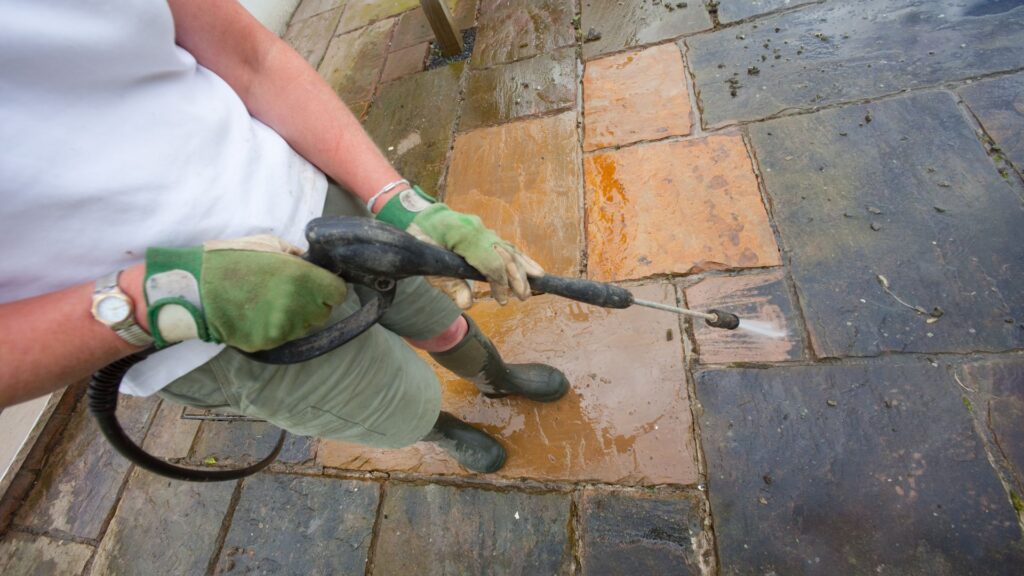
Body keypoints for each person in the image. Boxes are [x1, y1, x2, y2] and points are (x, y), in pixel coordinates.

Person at [0, 0, 570, 473]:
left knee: (438, 320)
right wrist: (159, 299)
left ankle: (495, 379)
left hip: (311, 203)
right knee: (395, 401)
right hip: (202, 333)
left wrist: (397, 199)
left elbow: (253, 58)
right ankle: (438, 427)